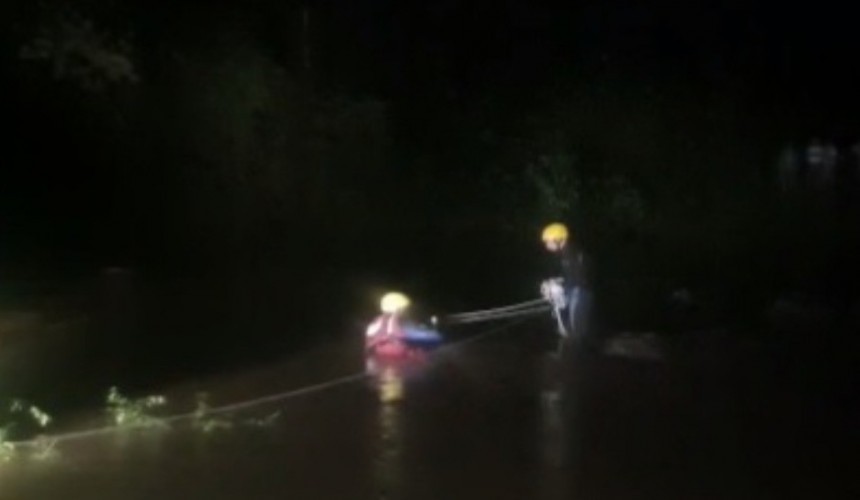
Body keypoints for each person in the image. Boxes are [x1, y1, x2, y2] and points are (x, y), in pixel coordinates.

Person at [540, 222, 590, 344]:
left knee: (575, 330)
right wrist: (554, 282)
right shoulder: (564, 254)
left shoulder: (574, 254)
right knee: (567, 328)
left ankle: (576, 356)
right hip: (574, 290)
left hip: (580, 293)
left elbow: (580, 277)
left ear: (559, 240)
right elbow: (567, 276)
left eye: (549, 242)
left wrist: (558, 286)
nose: (547, 245)